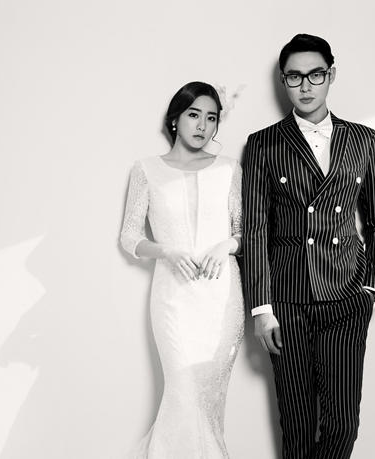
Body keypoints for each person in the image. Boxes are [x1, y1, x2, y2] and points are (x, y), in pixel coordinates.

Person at [242, 34, 375, 459]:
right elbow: (255, 230)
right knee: (297, 424)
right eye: (294, 77)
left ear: (331, 75)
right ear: (283, 80)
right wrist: (261, 309)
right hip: (286, 301)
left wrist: (371, 287)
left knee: (343, 424)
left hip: (346, 296)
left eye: (315, 75)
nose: (305, 86)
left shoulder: (362, 139)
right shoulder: (264, 143)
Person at [120, 81, 244, 458]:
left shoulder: (229, 169)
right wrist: (168, 251)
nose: (202, 125)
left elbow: (244, 232)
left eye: (211, 118)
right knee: (183, 393)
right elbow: (129, 236)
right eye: (194, 115)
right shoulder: (147, 170)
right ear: (176, 119)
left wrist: (225, 246)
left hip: (222, 300)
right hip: (173, 299)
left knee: (208, 405)